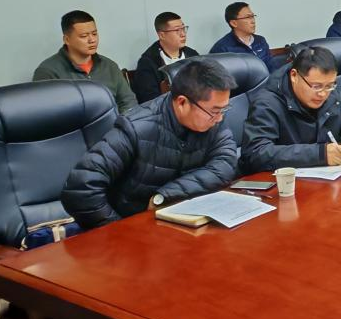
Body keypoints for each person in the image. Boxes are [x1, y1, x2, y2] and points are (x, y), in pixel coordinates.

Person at [61, 58, 239, 228]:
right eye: (215, 111)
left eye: (224, 109)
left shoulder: (212, 119)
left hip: (180, 220)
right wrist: (117, 230)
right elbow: (81, 188)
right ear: (182, 103)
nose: (220, 118)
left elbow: (225, 163)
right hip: (136, 226)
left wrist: (165, 196)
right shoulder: (136, 128)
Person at [240, 46, 341, 172]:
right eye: (316, 86)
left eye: (330, 85)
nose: (323, 94)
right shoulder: (267, 103)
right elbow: (256, 153)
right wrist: (319, 154)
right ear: (294, 76)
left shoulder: (331, 94)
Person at [34, 10, 138, 113]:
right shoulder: (48, 72)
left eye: (94, 34)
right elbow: (45, 114)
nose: (92, 40)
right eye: (84, 36)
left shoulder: (109, 66)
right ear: (67, 40)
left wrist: (122, 122)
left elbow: (128, 103)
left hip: (114, 122)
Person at [130, 11, 200, 104]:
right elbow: (150, 100)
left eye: (183, 28)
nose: (183, 34)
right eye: (177, 30)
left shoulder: (192, 55)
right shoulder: (148, 62)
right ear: (162, 35)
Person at [210, 2, 282, 71]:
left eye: (253, 16)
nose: (253, 21)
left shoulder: (260, 40)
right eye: (248, 17)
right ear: (234, 23)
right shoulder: (222, 48)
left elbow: (272, 68)